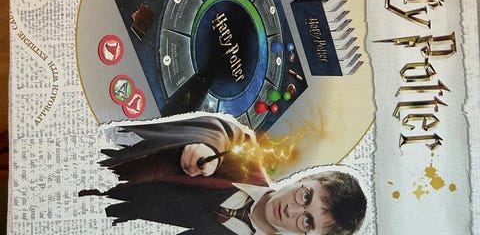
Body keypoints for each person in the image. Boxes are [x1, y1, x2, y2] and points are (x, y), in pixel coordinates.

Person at [80, 114, 367, 235]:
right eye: (306, 197)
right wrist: (209, 146)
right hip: (87, 184)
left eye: (307, 221)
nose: (292, 210)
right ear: (304, 179)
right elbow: (228, 133)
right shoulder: (242, 161)